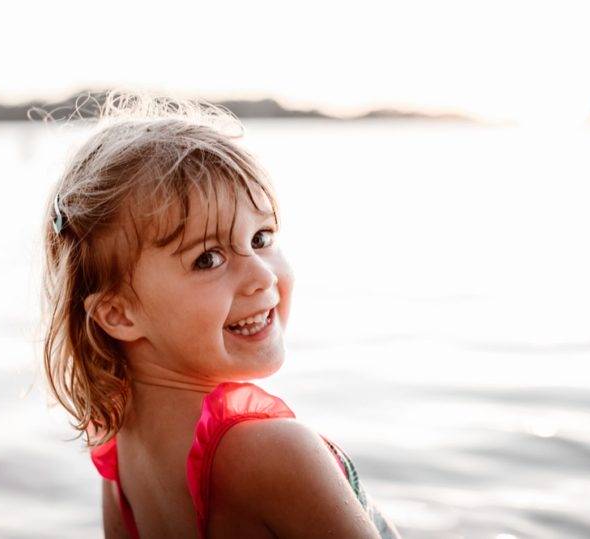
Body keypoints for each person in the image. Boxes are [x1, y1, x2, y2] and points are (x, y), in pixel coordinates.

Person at [40, 91, 401, 538]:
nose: (261, 277)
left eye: (262, 237)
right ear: (118, 313)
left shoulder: (118, 442)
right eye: (208, 259)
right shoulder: (272, 454)